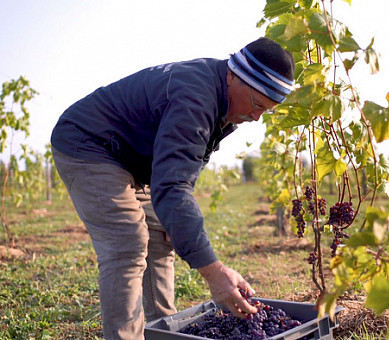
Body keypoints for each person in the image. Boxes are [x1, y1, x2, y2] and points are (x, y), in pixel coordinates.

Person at [50, 37, 295, 339]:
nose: (256, 117)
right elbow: (173, 185)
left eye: (266, 111)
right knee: (127, 241)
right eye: (257, 104)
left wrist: (173, 219)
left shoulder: (226, 100)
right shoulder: (197, 97)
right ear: (234, 75)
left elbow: (186, 163)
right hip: (90, 143)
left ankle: (160, 331)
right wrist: (214, 272)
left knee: (160, 234)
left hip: (132, 159)